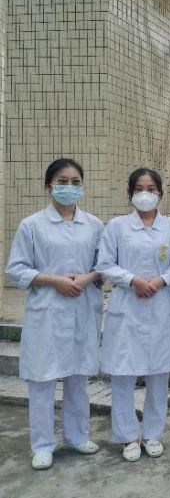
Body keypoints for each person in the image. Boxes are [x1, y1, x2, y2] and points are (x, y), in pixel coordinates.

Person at [6, 158, 104, 470]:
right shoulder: (32, 225)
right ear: (49, 186)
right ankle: (42, 445)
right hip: (46, 312)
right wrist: (55, 281)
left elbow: (105, 265)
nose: (69, 187)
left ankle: (77, 436)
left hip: (81, 310)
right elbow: (16, 269)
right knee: (42, 380)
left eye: (76, 182)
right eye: (62, 181)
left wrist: (86, 278)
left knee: (77, 378)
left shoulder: (94, 225)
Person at [97, 168, 170, 462]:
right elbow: (105, 265)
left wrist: (160, 280)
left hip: (160, 304)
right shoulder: (117, 226)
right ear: (130, 193)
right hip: (127, 306)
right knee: (123, 375)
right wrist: (133, 280)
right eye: (139, 189)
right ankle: (128, 436)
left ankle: (153, 433)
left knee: (159, 374)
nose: (145, 194)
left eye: (151, 189)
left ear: (160, 193)